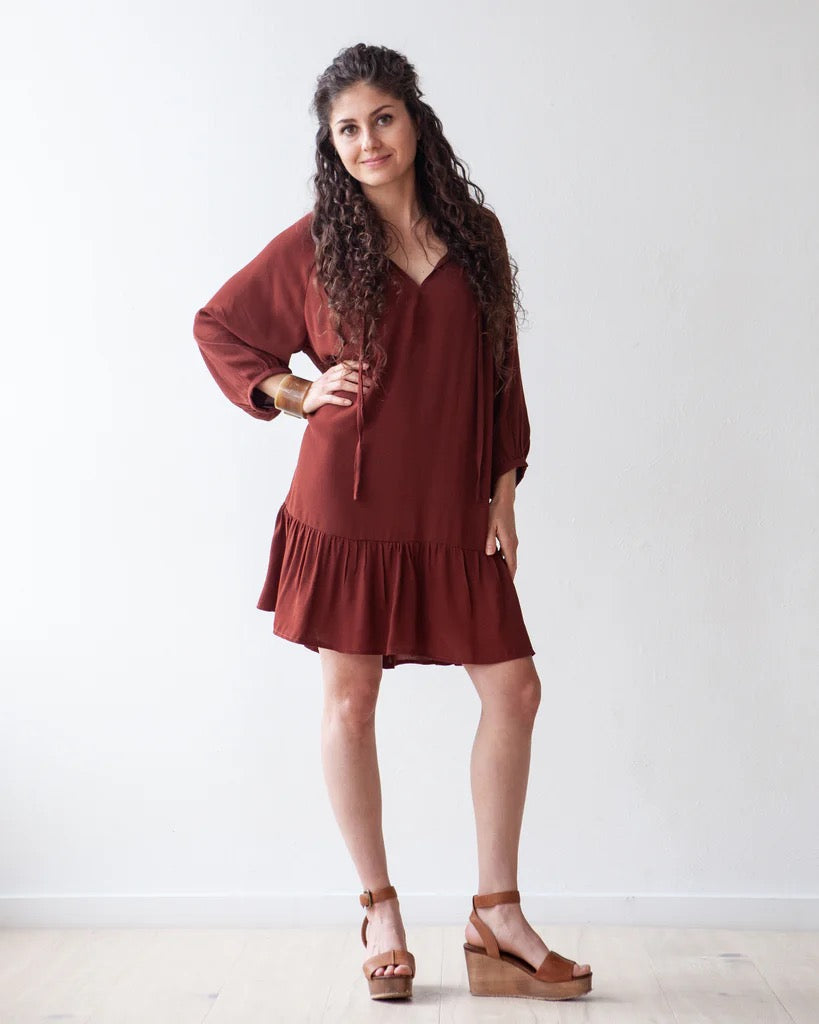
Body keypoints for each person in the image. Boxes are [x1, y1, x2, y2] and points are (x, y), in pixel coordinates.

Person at [192, 42, 592, 1003]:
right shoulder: (317, 245)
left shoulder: (476, 235)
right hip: (349, 503)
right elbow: (219, 325)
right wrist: (293, 389)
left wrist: (501, 491)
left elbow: (501, 371)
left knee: (516, 690)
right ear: (330, 147)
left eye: (381, 118)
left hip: (452, 503)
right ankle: (377, 908)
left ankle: (496, 912)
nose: (367, 140)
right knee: (350, 703)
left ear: (413, 120)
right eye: (346, 129)